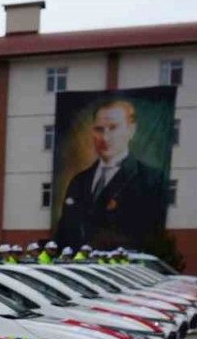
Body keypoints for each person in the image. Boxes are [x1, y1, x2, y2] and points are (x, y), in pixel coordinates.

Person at [55, 99, 167, 248]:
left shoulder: (151, 180)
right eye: (99, 129)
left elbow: (149, 236)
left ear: (131, 130)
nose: (105, 137)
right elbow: (63, 235)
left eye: (113, 128)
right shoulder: (79, 181)